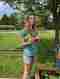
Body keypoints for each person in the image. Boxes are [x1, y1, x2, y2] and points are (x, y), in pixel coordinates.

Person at [16, 15, 40, 79]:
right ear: (28, 20)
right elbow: (20, 45)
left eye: (34, 18)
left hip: (34, 53)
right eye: (31, 18)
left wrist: (37, 39)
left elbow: (36, 41)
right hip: (27, 54)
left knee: (32, 71)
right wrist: (29, 42)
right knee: (26, 71)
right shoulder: (23, 31)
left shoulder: (35, 30)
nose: (33, 19)